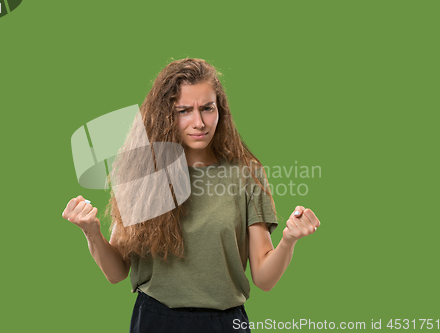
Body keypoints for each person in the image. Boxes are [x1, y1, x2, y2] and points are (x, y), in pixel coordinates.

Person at [61, 58, 321, 332]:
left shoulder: (247, 173)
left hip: (224, 323)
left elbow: (264, 279)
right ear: (165, 115)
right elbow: (116, 273)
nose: (199, 122)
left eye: (207, 108)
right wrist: (91, 231)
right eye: (184, 110)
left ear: (220, 110)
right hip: (155, 320)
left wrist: (289, 240)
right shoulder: (142, 171)